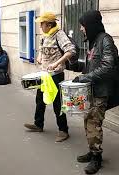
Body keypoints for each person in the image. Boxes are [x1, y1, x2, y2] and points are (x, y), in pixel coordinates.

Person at [72, 10, 119, 175]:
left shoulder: (105, 40)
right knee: (88, 120)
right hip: (92, 90)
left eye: (83, 26)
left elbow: (107, 67)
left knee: (93, 123)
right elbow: (90, 65)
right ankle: (92, 151)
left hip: (101, 91)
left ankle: (96, 158)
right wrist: (73, 64)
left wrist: (84, 78)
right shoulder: (93, 41)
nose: (81, 29)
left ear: (90, 25)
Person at [23, 12, 76, 142]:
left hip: (56, 75)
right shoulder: (45, 35)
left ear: (49, 24)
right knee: (39, 100)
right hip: (44, 75)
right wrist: (40, 56)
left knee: (58, 104)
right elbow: (42, 49)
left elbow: (71, 50)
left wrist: (57, 63)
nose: (40, 26)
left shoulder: (59, 34)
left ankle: (63, 130)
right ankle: (38, 124)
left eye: (42, 23)